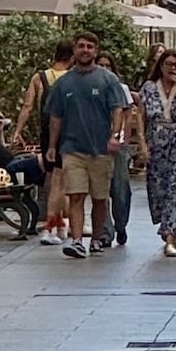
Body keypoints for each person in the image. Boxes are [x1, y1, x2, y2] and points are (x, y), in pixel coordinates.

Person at [42, 33, 129, 260]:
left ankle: (98, 238)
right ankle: (78, 240)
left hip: (100, 149)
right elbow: (55, 117)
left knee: (100, 198)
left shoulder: (108, 80)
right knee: (76, 195)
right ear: (74, 50)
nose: (85, 50)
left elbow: (118, 109)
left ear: (96, 50)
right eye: (81, 46)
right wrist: (52, 145)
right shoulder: (63, 83)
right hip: (72, 149)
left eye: (90, 46)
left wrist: (114, 136)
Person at [139, 48, 176, 258]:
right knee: (158, 189)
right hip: (156, 140)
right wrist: (142, 144)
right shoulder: (148, 87)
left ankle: (169, 232)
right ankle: (169, 228)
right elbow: (142, 117)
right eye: (168, 65)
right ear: (161, 66)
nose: (172, 68)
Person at [14, 39, 73, 245]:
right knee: (61, 180)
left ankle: (60, 222)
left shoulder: (39, 77)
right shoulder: (73, 77)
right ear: (72, 57)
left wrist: (18, 130)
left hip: (48, 132)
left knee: (53, 179)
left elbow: (28, 106)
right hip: (69, 132)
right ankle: (56, 224)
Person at [92, 53, 140, 248]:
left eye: (108, 65)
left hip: (118, 145)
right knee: (100, 189)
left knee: (120, 190)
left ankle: (121, 224)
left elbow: (128, 114)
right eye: (101, 65)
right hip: (96, 144)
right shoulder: (90, 86)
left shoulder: (121, 88)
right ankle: (105, 232)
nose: (105, 68)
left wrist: (124, 140)